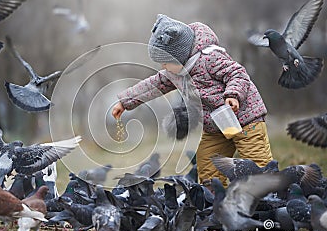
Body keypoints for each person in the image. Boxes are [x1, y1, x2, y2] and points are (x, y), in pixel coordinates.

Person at [112, 14, 273, 186]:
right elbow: (153, 84)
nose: (163, 67)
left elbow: (237, 74)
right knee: (208, 169)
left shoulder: (210, 58)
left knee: (257, 165)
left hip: (246, 119)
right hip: (216, 127)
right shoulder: (175, 72)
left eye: (165, 62)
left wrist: (233, 95)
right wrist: (125, 101)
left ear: (179, 56)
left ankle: (269, 200)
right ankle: (216, 204)